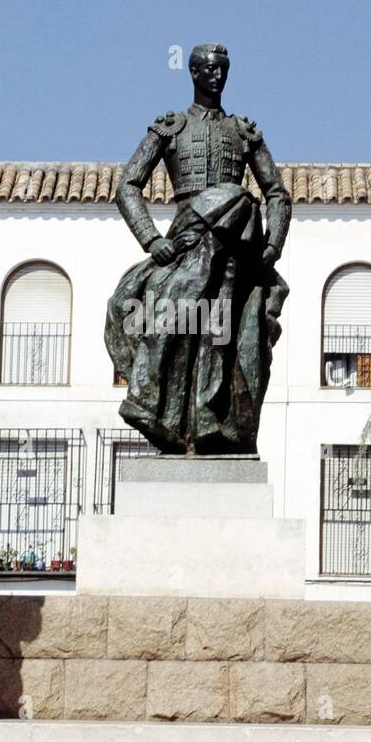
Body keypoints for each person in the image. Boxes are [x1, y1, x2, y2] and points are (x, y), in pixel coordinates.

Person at [105, 42, 291, 454]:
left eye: (223, 69)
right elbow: (128, 186)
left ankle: (214, 422)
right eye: (208, 69)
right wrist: (152, 240)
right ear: (192, 72)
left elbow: (277, 193)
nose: (217, 76)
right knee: (170, 318)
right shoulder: (169, 128)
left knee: (222, 334)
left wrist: (272, 246)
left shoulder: (243, 132)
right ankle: (165, 414)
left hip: (235, 248)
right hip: (187, 241)